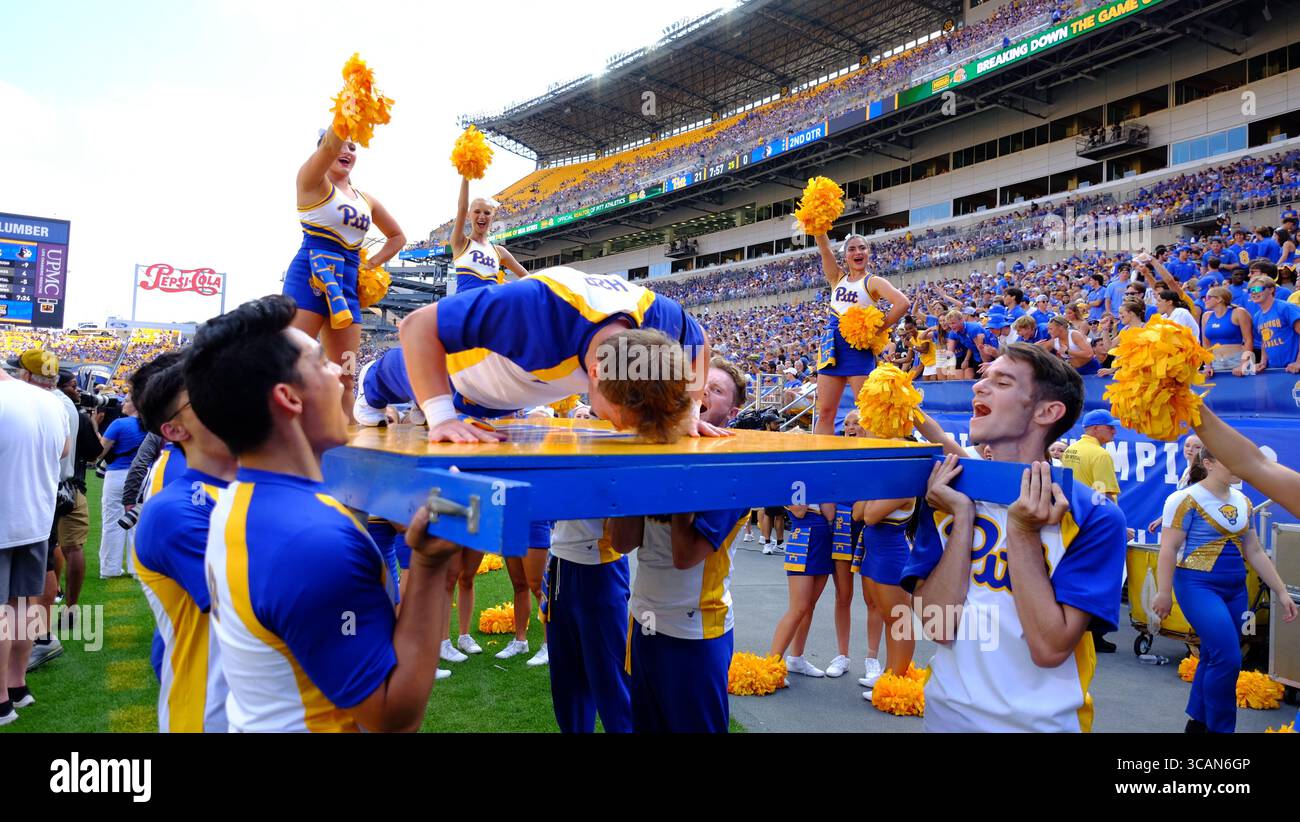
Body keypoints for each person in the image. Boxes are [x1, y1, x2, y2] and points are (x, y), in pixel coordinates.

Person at [187, 295, 459, 732]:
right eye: (320, 361)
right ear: (288, 399)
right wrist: (428, 567)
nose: (339, 371)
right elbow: (391, 718)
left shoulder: (243, 500)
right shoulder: (313, 539)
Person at [902, 343, 1127, 732]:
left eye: (1001, 382)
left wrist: (1021, 532)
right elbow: (936, 627)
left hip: (1039, 724)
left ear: (1047, 412)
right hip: (944, 715)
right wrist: (962, 517)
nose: (978, 387)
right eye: (983, 377)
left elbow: (1050, 647)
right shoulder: (946, 495)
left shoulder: (1096, 516)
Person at [393, 267, 729, 443]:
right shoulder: (536, 304)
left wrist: (691, 412)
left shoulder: (656, 314)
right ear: (596, 373)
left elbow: (701, 341)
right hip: (458, 381)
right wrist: (441, 416)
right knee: (384, 379)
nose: (617, 427)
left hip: (514, 393)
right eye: (616, 419)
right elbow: (416, 327)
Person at [611, 360, 749, 732]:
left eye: (716, 391)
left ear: (732, 413)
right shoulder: (660, 452)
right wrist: (632, 476)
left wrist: (677, 476)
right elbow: (622, 543)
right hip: (645, 619)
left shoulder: (733, 469)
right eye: (700, 386)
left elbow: (685, 556)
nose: (703, 394)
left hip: (695, 632)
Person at [1153, 445, 1298, 733]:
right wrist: (1163, 592)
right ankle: (1221, 729)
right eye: (1230, 460)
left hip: (1235, 588)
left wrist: (1281, 591)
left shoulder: (1243, 501)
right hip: (1196, 585)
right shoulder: (1184, 499)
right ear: (1208, 463)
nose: (1238, 466)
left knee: (1212, 654)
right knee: (1229, 658)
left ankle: (1198, 722)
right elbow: (1168, 549)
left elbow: (1254, 550)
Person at [132, 360, 235, 732]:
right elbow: (270, 602)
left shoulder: (252, 488)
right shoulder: (175, 510)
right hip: (213, 715)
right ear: (173, 429)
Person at [282, 128, 405, 418]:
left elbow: (397, 237)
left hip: (346, 290)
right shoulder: (311, 182)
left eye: (353, 147)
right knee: (291, 367)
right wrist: (348, 112)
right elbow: (329, 146)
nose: (347, 151)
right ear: (324, 150)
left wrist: (370, 265)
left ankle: (346, 445)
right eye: (340, 145)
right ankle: (279, 445)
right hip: (308, 282)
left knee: (346, 374)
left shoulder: (367, 200)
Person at [0, 353, 70, 726]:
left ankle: (1, 700)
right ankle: (17, 687)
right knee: (22, 605)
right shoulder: (49, 401)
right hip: (36, 520)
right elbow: (64, 451)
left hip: (5, 520)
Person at [812, 233, 910, 434]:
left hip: (858, 348)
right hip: (832, 347)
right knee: (825, 412)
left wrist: (878, 328)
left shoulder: (873, 281)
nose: (858, 252)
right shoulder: (837, 278)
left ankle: (871, 460)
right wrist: (818, 228)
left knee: (867, 410)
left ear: (868, 253)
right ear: (846, 256)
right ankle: (821, 460)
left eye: (862, 248)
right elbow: (824, 249)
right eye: (852, 249)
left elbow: (902, 303)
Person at [768, 501, 837, 679]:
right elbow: (799, 511)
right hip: (803, 539)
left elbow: (830, 514)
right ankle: (770, 666)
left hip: (824, 540)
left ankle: (796, 658)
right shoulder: (794, 478)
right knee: (798, 607)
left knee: (809, 606)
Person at [96, 392, 147, 579]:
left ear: (135, 405)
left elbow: (99, 452)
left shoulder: (119, 424)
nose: (123, 404)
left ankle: (110, 569)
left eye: (126, 401)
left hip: (118, 475)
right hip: (143, 476)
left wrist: (94, 425)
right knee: (137, 521)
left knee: (112, 522)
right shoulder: (150, 426)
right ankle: (137, 568)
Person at [450, 178, 529, 293]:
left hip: (489, 308)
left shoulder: (499, 252)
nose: (482, 216)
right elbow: (461, 208)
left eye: (487, 213)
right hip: (465, 307)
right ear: (468, 215)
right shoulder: (460, 243)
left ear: (492, 217)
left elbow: (527, 277)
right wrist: (465, 176)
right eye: (477, 211)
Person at [1246, 274, 1300, 373]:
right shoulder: (1257, 316)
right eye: (1251, 290)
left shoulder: (1285, 308)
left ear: (1271, 290)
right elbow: (1264, 341)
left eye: (1257, 289)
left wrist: (1298, 362)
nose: (1253, 293)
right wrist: (1263, 362)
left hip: (1294, 369)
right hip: (1274, 371)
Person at [1199, 286, 1254, 375]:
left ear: (1219, 299)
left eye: (1208, 297)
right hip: (1216, 362)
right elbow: (1206, 344)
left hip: (1237, 360)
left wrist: (1243, 364)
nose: (1205, 300)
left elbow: (1248, 340)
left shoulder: (1238, 312)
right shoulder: (1206, 316)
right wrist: (1208, 365)